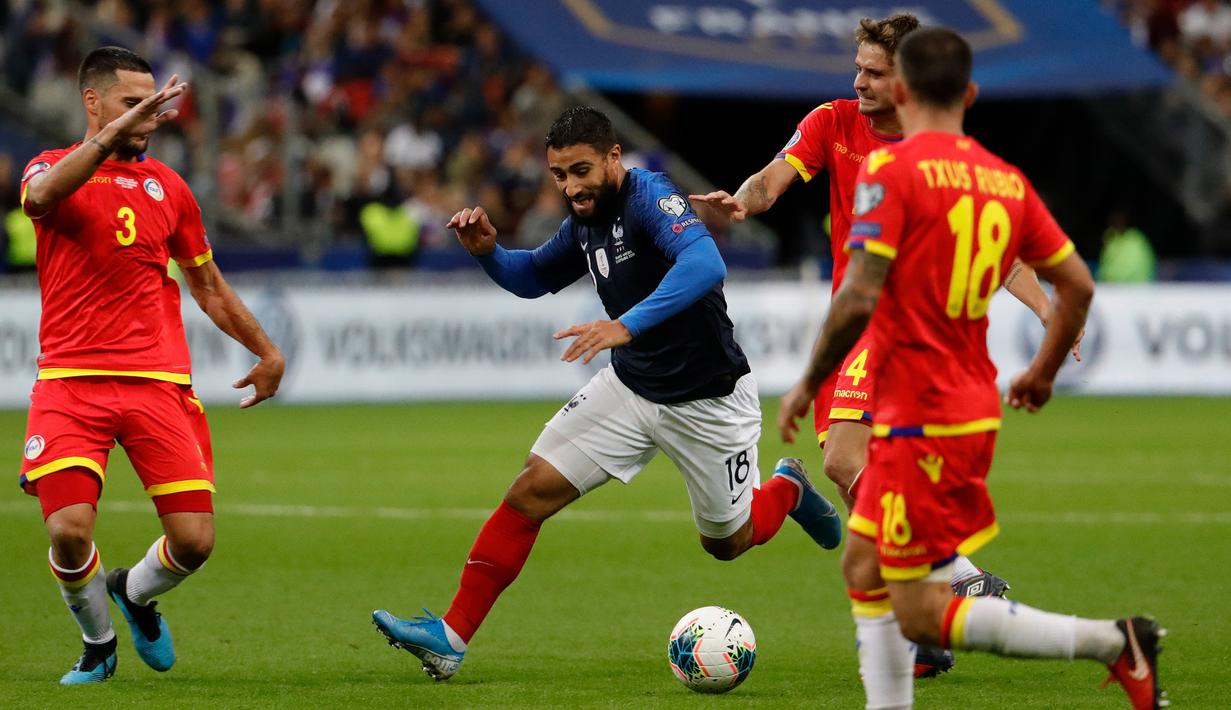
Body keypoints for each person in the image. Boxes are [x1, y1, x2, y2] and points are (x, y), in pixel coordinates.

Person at [371, 106, 842, 681]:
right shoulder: (584, 217)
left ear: (614, 158)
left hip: (709, 400)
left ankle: (787, 489)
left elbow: (705, 262)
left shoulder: (648, 195)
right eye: (559, 175)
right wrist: (488, 253)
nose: (570, 186)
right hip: (631, 386)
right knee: (529, 492)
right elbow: (534, 276)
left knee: (727, 542)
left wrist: (626, 325)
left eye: (581, 170)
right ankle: (450, 637)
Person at [778, 27, 1166, 709]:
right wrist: (1043, 368)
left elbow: (861, 292)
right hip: (967, 402)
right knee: (863, 565)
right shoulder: (1000, 179)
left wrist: (809, 379)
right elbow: (1074, 285)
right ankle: (945, 610)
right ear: (971, 93)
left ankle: (1115, 642)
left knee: (917, 609)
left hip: (913, 409)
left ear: (901, 89)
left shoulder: (888, 174)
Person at [690, 13, 1077, 676]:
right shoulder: (831, 122)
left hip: (900, 328)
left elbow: (1008, 252)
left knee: (843, 461)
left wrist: (1045, 307)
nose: (858, 82)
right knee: (862, 484)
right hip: (858, 325)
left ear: (904, 82)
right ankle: (924, 628)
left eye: (873, 72)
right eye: (858, 69)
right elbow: (773, 176)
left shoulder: (932, 157)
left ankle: (956, 573)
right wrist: (744, 203)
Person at [18, 46, 285, 685]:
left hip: (157, 383)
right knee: (69, 530)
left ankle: (133, 593)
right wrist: (109, 140)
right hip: (70, 384)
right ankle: (98, 643)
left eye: (155, 103)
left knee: (194, 542)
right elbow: (39, 200)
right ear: (93, 102)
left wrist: (268, 351)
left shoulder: (170, 188)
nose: (152, 114)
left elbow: (209, 286)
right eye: (133, 102)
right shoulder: (50, 166)